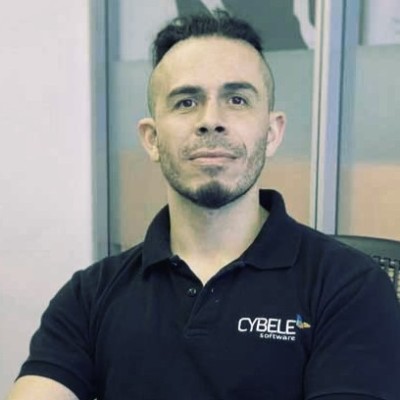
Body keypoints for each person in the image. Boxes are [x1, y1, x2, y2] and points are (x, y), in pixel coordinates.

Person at [6, 11, 400, 400]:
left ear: (272, 133)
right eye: (186, 102)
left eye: (237, 99)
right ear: (152, 139)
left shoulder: (350, 286)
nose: (211, 120)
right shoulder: (89, 295)